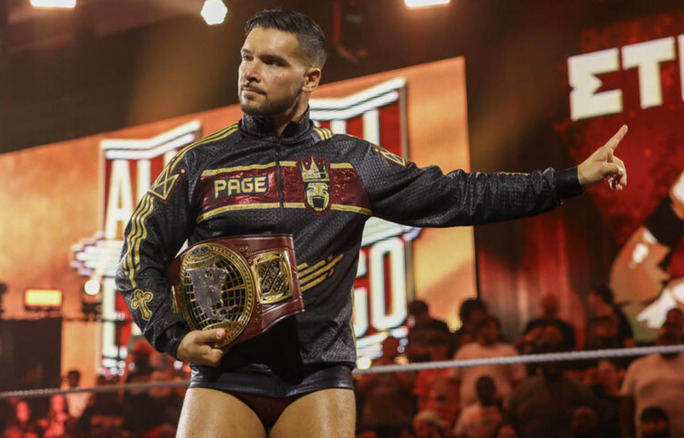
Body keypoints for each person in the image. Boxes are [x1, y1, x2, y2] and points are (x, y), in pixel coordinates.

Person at [115, 9, 629, 438]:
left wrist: (570, 179)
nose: (250, 71)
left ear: (311, 78)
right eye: (247, 56)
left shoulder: (352, 163)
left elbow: (462, 194)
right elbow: (138, 257)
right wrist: (173, 337)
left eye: (271, 62)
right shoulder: (198, 162)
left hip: (317, 377)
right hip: (224, 376)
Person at [620, 322, 684, 438]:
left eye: (671, 337)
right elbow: (626, 406)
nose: (668, 342)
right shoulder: (638, 366)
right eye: (664, 337)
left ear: (679, 338)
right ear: (658, 339)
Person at [449, 317, 526, 408]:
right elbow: (454, 381)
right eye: (489, 328)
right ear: (479, 331)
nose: (494, 332)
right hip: (468, 407)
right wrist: (454, 405)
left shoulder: (509, 351)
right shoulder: (464, 352)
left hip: (502, 406)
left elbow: (518, 380)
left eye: (496, 328)